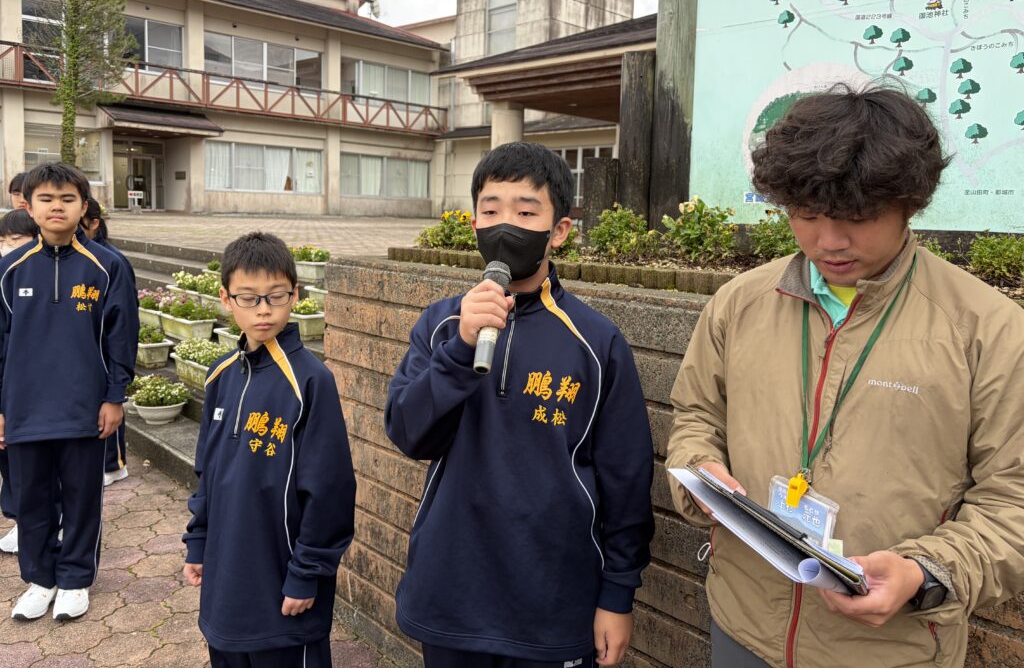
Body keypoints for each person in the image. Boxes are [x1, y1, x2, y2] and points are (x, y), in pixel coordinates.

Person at [665, 86, 1024, 668]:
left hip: (893, 651)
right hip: (740, 622)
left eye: (858, 218)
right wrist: (700, 466)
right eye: (806, 215)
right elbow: (697, 414)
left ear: (910, 204)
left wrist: (925, 572)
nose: (829, 241)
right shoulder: (739, 302)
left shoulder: (988, 330)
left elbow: (1012, 499)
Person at [386, 142, 654, 667]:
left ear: (560, 230)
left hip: (553, 600)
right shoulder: (441, 325)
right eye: (491, 211)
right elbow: (408, 432)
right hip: (450, 593)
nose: (506, 226)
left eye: (526, 213)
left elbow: (626, 475)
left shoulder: (596, 342)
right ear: (473, 223)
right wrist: (461, 349)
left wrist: (618, 593)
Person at [183, 231, 356, 668]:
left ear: (294, 295)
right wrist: (198, 542)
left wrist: (306, 575)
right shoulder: (220, 374)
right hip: (225, 585)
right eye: (249, 298)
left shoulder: (311, 381)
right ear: (226, 299)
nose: (263, 309)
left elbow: (330, 491)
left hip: (283, 588)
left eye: (276, 296)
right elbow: (207, 469)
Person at [0, 163, 138, 621]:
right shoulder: (9, 270)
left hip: (85, 407)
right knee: (30, 500)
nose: (56, 207)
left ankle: (76, 577)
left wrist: (114, 396)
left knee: (82, 498)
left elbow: (122, 337)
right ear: (29, 206)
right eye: (46, 199)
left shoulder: (108, 266)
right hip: (24, 409)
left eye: (67, 199)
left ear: (83, 207)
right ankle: (41, 579)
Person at [81, 197, 135, 486]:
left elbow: (124, 320)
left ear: (94, 224)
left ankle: (114, 464)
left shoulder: (111, 261)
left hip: (105, 348)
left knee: (108, 407)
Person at [0, 209, 39, 554]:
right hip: (7, 388)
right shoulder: (5, 275)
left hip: (34, 390)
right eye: (3, 241)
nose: (8, 246)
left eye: (16, 240)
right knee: (10, 462)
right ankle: (19, 520)